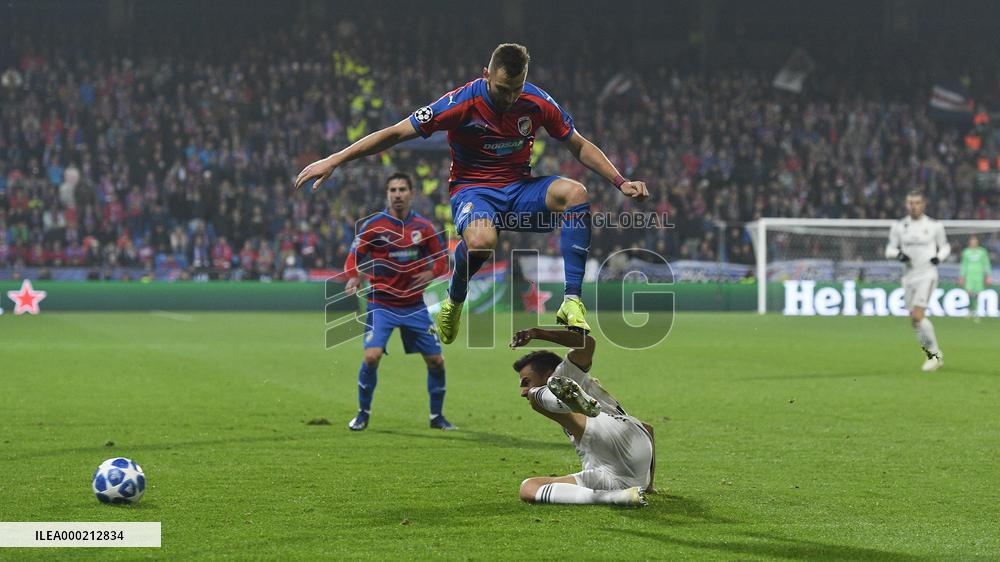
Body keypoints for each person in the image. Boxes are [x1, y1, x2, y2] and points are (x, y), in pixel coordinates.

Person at [296, 43, 649, 344]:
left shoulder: (537, 102)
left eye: (516, 89)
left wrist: (620, 182)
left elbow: (578, 144)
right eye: (502, 89)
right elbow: (395, 132)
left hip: (520, 188)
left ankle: (572, 300)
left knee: (576, 192)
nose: (510, 98)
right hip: (474, 191)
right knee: (481, 241)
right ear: (486, 75)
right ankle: (454, 301)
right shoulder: (461, 102)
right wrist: (336, 158)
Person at [342, 173, 454, 430]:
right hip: (381, 304)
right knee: (371, 356)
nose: (397, 194)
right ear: (387, 194)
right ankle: (362, 414)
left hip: (414, 306)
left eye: (402, 189)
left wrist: (431, 272)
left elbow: (441, 260)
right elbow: (353, 256)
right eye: (393, 189)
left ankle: (437, 417)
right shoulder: (373, 225)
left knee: (436, 361)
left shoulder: (423, 227)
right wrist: (353, 276)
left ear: (411, 193)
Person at [508, 327, 655, 507]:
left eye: (526, 382)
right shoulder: (580, 381)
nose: (522, 390)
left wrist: (538, 333)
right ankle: (623, 496)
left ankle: (562, 401)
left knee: (528, 487)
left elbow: (587, 343)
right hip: (634, 447)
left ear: (548, 375)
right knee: (530, 486)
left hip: (604, 437)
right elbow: (648, 429)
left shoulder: (567, 372)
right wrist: (649, 484)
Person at [885, 191, 951, 372]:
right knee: (915, 322)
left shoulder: (934, 226)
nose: (914, 206)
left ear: (924, 204)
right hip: (908, 277)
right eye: (911, 203)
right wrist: (898, 254)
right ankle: (933, 354)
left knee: (918, 315)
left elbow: (945, 246)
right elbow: (889, 249)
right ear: (907, 205)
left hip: (927, 274)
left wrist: (939, 257)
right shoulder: (899, 226)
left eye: (917, 203)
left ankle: (935, 355)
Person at [959, 235, 992, 322]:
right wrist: (962, 276)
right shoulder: (966, 252)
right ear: (969, 243)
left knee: (977, 294)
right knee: (969, 293)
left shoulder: (982, 252)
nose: (973, 243)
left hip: (979, 275)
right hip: (969, 275)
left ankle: (975, 312)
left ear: (977, 243)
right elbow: (964, 265)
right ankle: (971, 310)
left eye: (974, 242)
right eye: (971, 242)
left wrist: (988, 275)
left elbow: (986, 263)